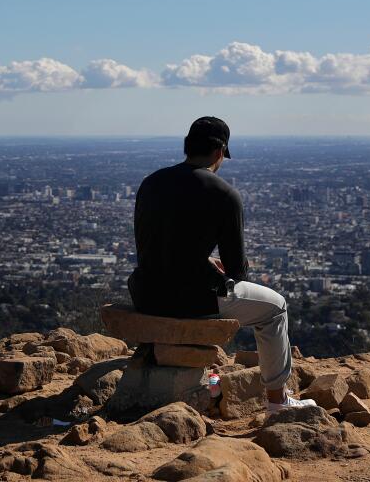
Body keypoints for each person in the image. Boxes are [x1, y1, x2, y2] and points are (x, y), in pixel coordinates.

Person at [128, 116, 315, 413]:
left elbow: (159, 243)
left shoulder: (151, 183)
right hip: (190, 300)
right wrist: (229, 265)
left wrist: (201, 260)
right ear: (219, 153)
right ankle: (278, 401)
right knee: (275, 308)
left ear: (187, 147)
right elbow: (237, 271)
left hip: (145, 293)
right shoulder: (223, 193)